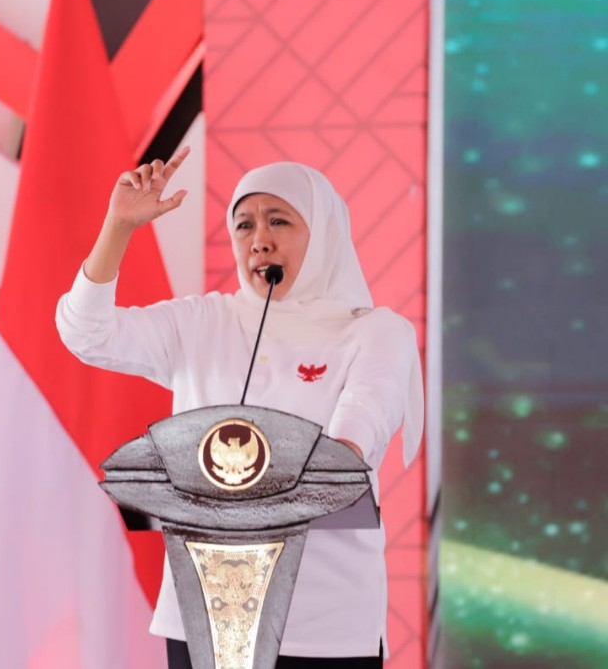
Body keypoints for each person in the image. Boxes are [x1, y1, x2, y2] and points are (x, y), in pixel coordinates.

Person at [55, 147, 424, 668]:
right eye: (244, 225)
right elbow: (86, 333)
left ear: (323, 231)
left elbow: (355, 437)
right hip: (200, 618)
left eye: (279, 221)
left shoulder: (375, 332)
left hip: (322, 628)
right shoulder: (203, 322)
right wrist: (118, 227)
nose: (259, 240)